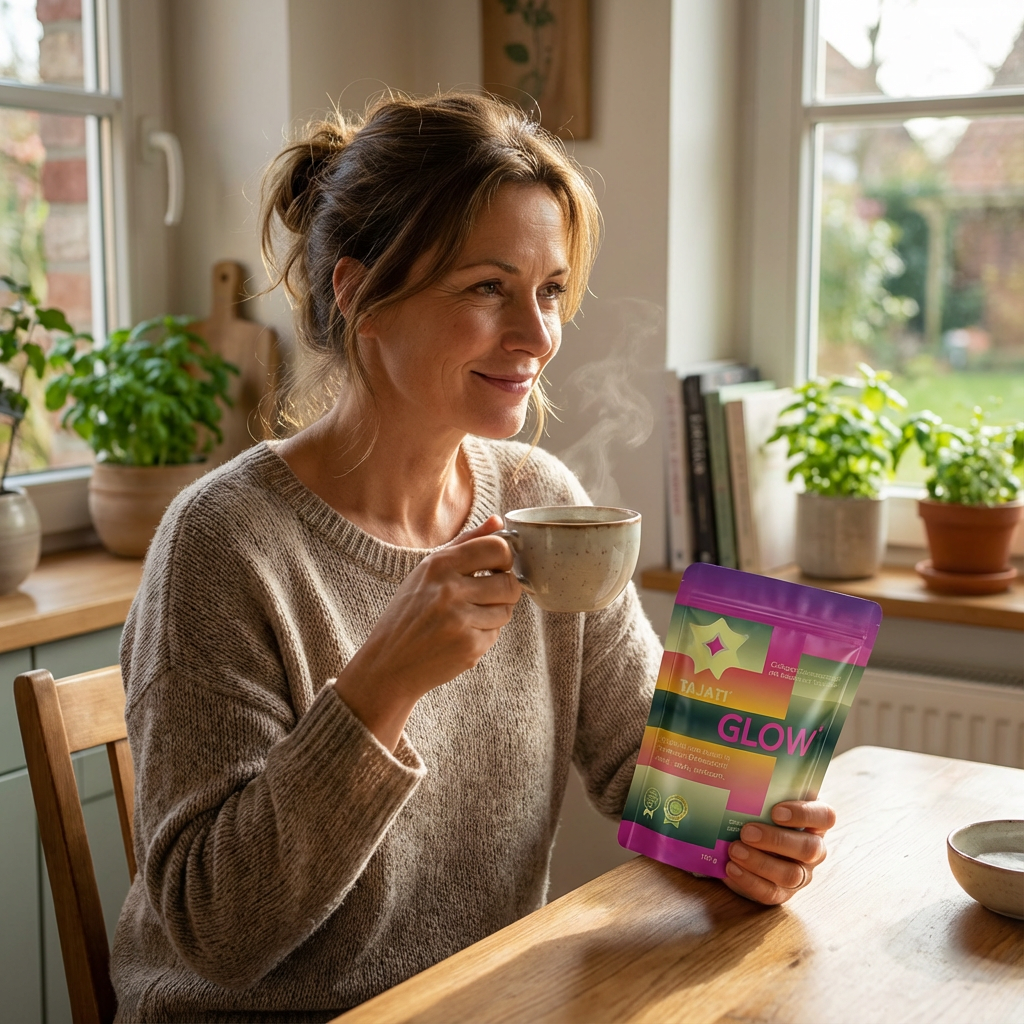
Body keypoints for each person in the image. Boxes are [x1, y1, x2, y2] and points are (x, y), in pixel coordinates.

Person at [110, 92, 835, 1024]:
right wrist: (378, 687)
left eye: (549, 291)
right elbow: (218, 931)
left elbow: (651, 772)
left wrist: (752, 832)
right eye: (487, 288)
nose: (537, 337)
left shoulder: (541, 501)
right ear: (358, 293)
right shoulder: (223, 542)